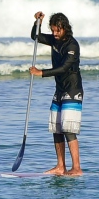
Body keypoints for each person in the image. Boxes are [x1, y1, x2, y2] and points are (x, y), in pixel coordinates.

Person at [31, 11, 83, 176]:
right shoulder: (54, 40)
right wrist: (37, 22)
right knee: (57, 128)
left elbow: (64, 68)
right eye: (53, 30)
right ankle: (61, 166)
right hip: (59, 90)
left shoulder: (72, 46)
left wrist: (41, 73)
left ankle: (76, 168)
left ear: (65, 28)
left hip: (73, 90)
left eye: (57, 31)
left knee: (68, 129)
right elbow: (36, 37)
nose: (54, 34)